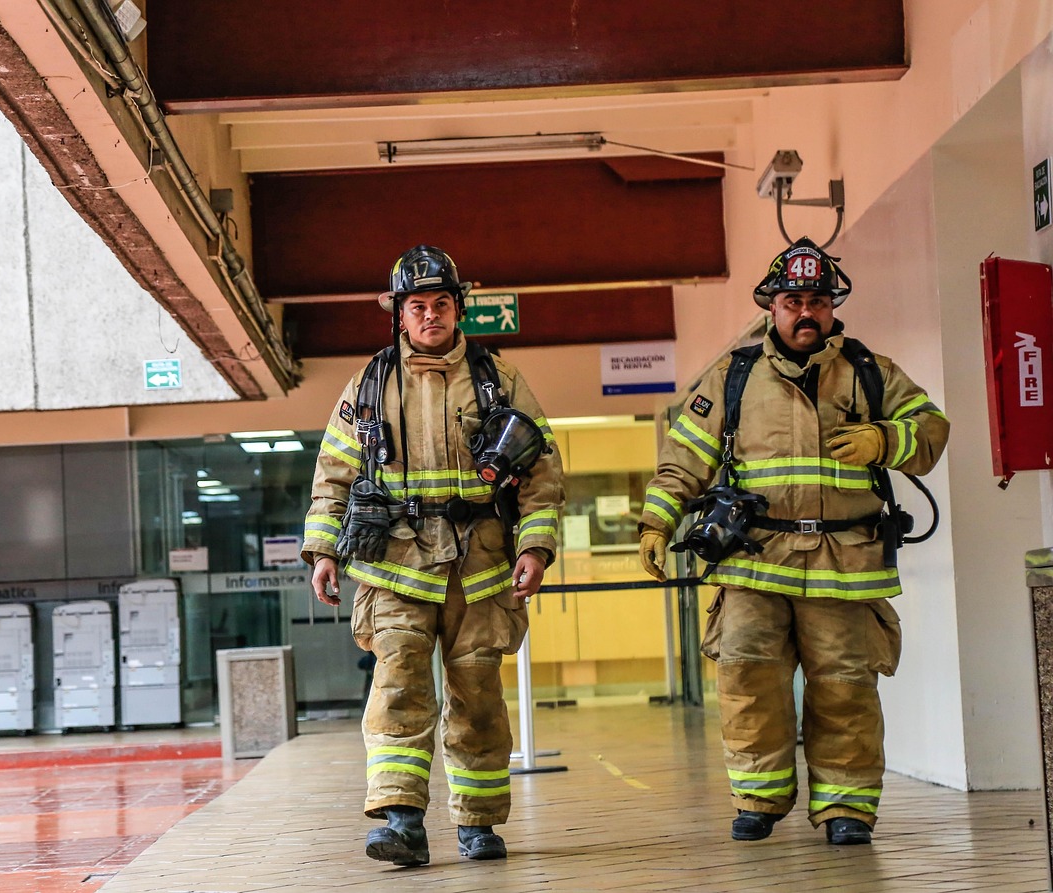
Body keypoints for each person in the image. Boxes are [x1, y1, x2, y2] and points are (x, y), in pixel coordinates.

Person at [637, 236, 949, 846]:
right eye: (793, 302)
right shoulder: (733, 377)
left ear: (832, 307)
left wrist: (884, 440)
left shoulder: (871, 372)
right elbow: (684, 461)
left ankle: (846, 809)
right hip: (753, 563)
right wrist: (656, 524)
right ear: (771, 307)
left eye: (817, 302)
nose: (806, 312)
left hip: (844, 564)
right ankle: (758, 799)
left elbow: (932, 430)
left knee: (846, 688)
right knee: (747, 682)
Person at [302, 245, 564, 867]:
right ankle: (401, 823)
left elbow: (542, 471)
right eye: (417, 305)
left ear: (457, 309)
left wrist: (536, 545)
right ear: (399, 313)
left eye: (441, 303)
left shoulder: (499, 381)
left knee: (477, 692)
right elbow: (333, 476)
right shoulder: (368, 386)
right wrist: (322, 550)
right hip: (394, 565)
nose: (429, 315)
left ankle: (478, 823)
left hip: (481, 565)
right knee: (398, 687)